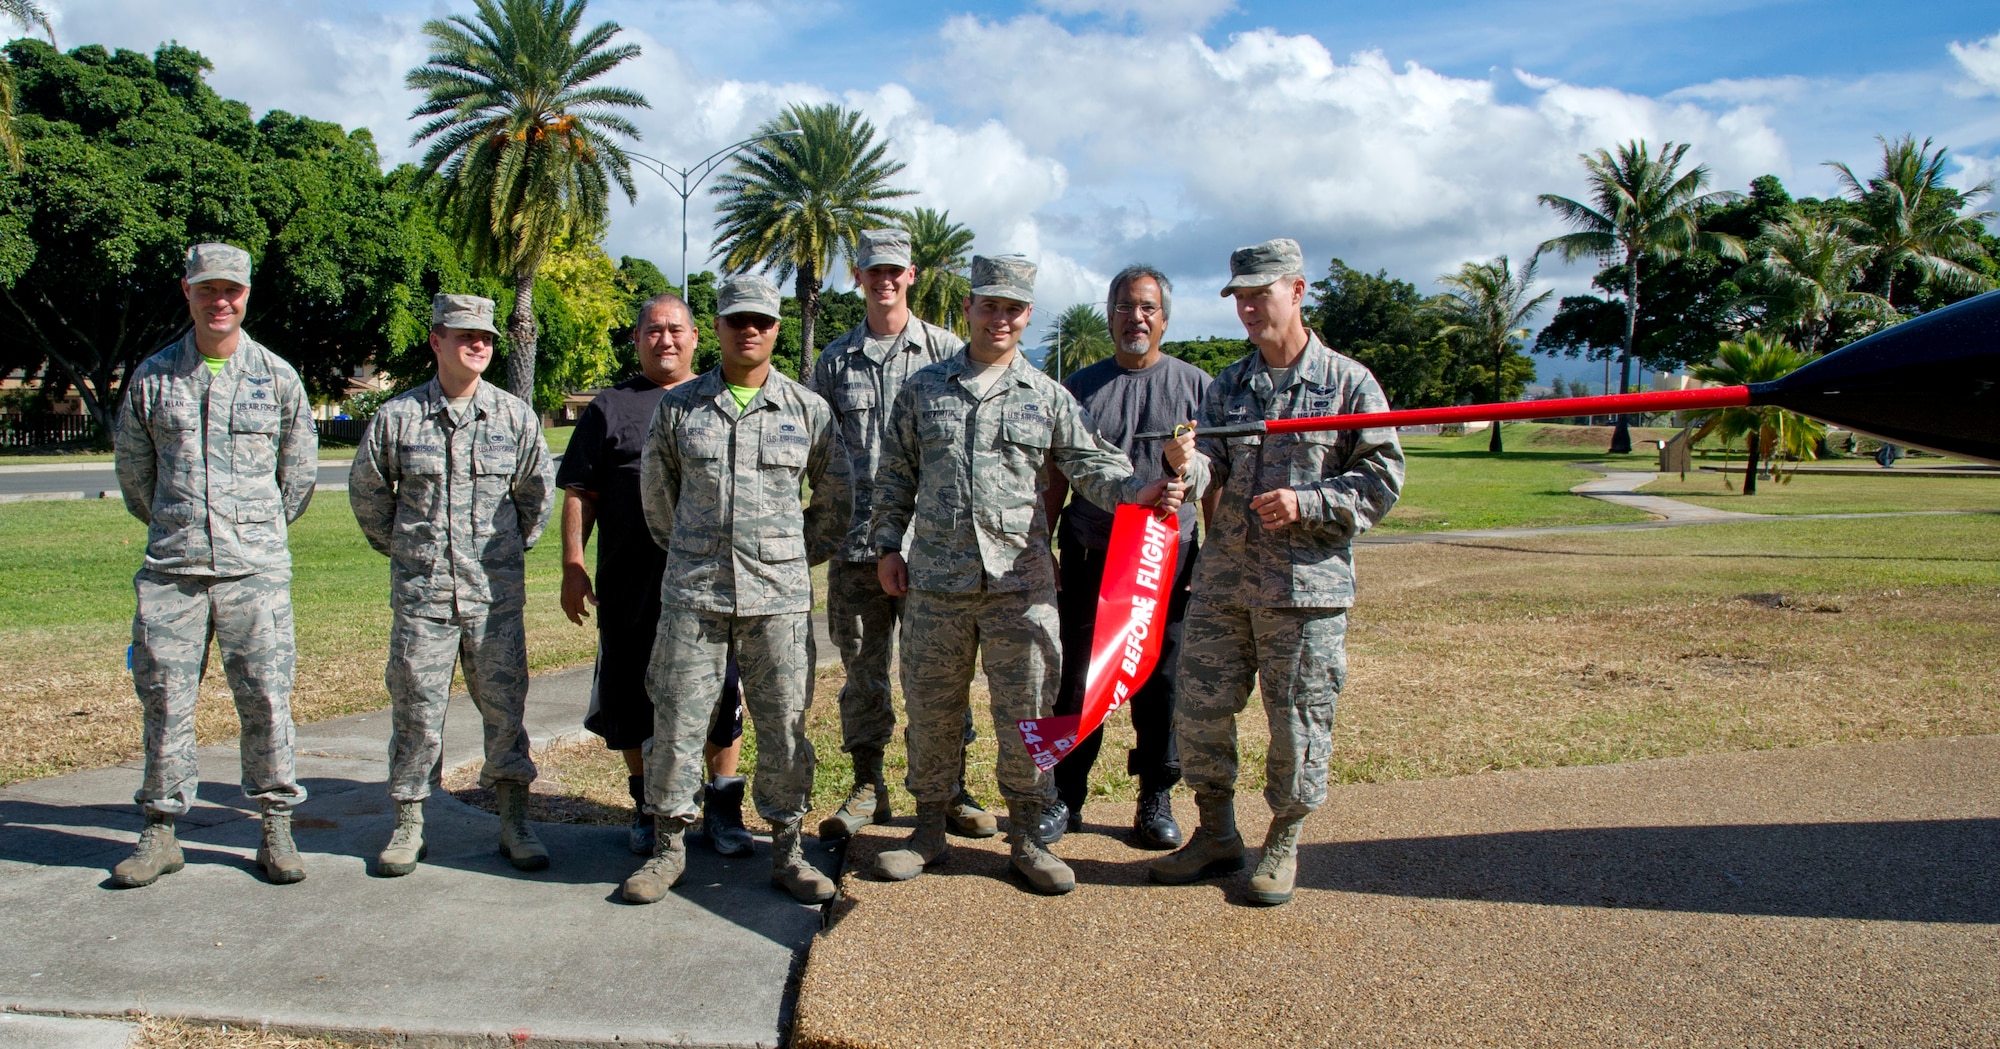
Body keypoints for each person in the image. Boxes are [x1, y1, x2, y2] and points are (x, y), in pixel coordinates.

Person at [865, 255, 1185, 895]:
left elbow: (1092, 464)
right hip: (938, 586)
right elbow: (895, 476)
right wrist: (885, 546)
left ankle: (1029, 838)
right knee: (931, 712)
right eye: (989, 305)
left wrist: (1145, 489)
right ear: (968, 309)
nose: (1000, 318)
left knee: (1030, 717)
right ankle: (928, 832)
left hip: (1022, 588)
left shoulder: (1046, 396)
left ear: (1027, 315)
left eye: (1013, 308)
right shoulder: (924, 389)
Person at [1156, 238, 1404, 906]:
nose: (1246, 307)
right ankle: (1216, 832)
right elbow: (1216, 468)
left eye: (1259, 293)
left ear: (1296, 290)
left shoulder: (1349, 383)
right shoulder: (1231, 385)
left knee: (1297, 719)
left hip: (1304, 590)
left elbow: (1382, 480)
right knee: (1201, 709)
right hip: (1225, 583)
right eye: (1238, 295)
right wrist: (1186, 465)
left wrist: (1309, 501)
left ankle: (1285, 838)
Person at [621, 273, 841, 906]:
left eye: (763, 321)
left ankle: (789, 849)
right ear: (716, 327)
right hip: (695, 593)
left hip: (778, 598)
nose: (750, 330)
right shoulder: (680, 407)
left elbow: (835, 498)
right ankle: (668, 848)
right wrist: (693, 550)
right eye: (737, 319)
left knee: (783, 726)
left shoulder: (807, 410)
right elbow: (656, 497)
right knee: (679, 720)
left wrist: (790, 556)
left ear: (777, 329)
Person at [110, 242, 319, 888]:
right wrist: (183, 526)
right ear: (188, 292)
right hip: (173, 568)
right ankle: (162, 829)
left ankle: (274, 825)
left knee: (264, 696)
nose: (219, 300)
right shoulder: (153, 377)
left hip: (254, 570)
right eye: (207, 289)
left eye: (230, 289)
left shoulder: (278, 377)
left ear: (247, 295)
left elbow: (299, 476)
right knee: (165, 698)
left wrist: (247, 533)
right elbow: (135, 476)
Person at [349, 294, 556, 877]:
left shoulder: (514, 417)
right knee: (415, 709)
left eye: (486, 337)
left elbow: (536, 499)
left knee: (505, 712)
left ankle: (514, 819)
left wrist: (505, 559)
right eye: (464, 335)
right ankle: (409, 822)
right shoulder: (398, 417)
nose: (478, 345)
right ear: (436, 340)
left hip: (494, 601)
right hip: (424, 600)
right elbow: (369, 496)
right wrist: (411, 554)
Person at [806, 228, 995, 842]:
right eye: (872, 271)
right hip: (858, 547)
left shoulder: (947, 353)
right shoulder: (833, 362)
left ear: (912, 273)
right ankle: (868, 785)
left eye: (895, 270)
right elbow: (817, 453)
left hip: (936, 550)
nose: (884, 280)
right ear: (857, 277)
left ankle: (953, 786)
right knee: (864, 670)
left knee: (942, 672)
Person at [558, 294, 752, 859]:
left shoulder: (721, 401)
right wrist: (573, 564)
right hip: (630, 585)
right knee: (630, 696)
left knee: (720, 696)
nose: (664, 340)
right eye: (652, 331)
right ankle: (646, 809)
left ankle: (723, 809)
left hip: (712, 586)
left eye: (675, 330)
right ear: (638, 339)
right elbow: (580, 493)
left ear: (696, 337)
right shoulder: (609, 409)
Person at [1039, 264, 1210, 849]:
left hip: (1167, 564)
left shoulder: (1196, 386)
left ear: (1164, 317)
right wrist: (1043, 545)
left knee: (1161, 684)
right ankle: (1066, 795)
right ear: (1109, 314)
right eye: (1123, 307)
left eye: (1146, 308)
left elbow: (1214, 476)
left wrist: (1204, 560)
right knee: (1077, 683)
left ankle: (1155, 797)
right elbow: (1055, 474)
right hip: (1091, 558)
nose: (1134, 318)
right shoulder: (1079, 388)